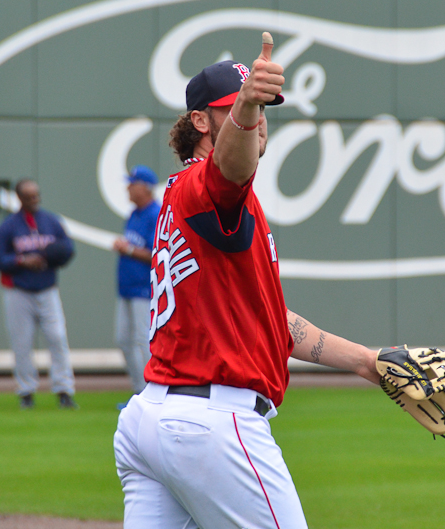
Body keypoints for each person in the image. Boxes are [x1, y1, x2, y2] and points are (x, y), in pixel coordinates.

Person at [113, 34, 383, 529]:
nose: (257, 121)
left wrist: (366, 362)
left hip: (153, 421)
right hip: (211, 425)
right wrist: (245, 108)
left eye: (262, 109)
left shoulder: (188, 201)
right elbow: (232, 165)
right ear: (200, 121)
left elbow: (270, 322)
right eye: (238, 108)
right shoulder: (205, 187)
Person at [0, 179, 78, 410]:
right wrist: (21, 260)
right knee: (22, 343)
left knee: (58, 338)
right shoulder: (8, 225)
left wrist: (50, 257)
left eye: (36, 195)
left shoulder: (50, 221)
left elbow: (68, 250)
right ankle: (26, 392)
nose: (35, 199)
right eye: (29, 196)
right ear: (20, 198)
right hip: (19, 292)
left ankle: (64, 391)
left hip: (48, 289)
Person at [111, 165, 160, 399]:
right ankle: (138, 391)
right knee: (123, 340)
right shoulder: (134, 214)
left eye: (132, 183)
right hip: (127, 288)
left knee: (143, 340)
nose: (128, 188)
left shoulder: (155, 213)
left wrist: (128, 249)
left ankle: (152, 392)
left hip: (146, 289)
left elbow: (157, 254)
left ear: (145, 187)